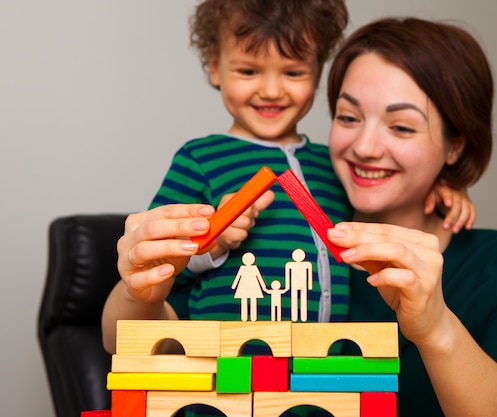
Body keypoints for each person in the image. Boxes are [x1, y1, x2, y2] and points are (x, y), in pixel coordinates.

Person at [109, 0, 476, 340]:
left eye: (293, 72)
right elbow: (157, 263)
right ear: (216, 67)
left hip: (324, 365)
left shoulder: (332, 163)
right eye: (249, 70)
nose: (271, 90)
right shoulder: (199, 159)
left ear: (318, 73)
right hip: (229, 364)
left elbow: (379, 201)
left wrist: (441, 184)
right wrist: (213, 240)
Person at [323, 17, 497, 417]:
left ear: (455, 147)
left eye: (401, 127)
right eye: (348, 117)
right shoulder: (287, 235)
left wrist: (435, 328)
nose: (363, 146)